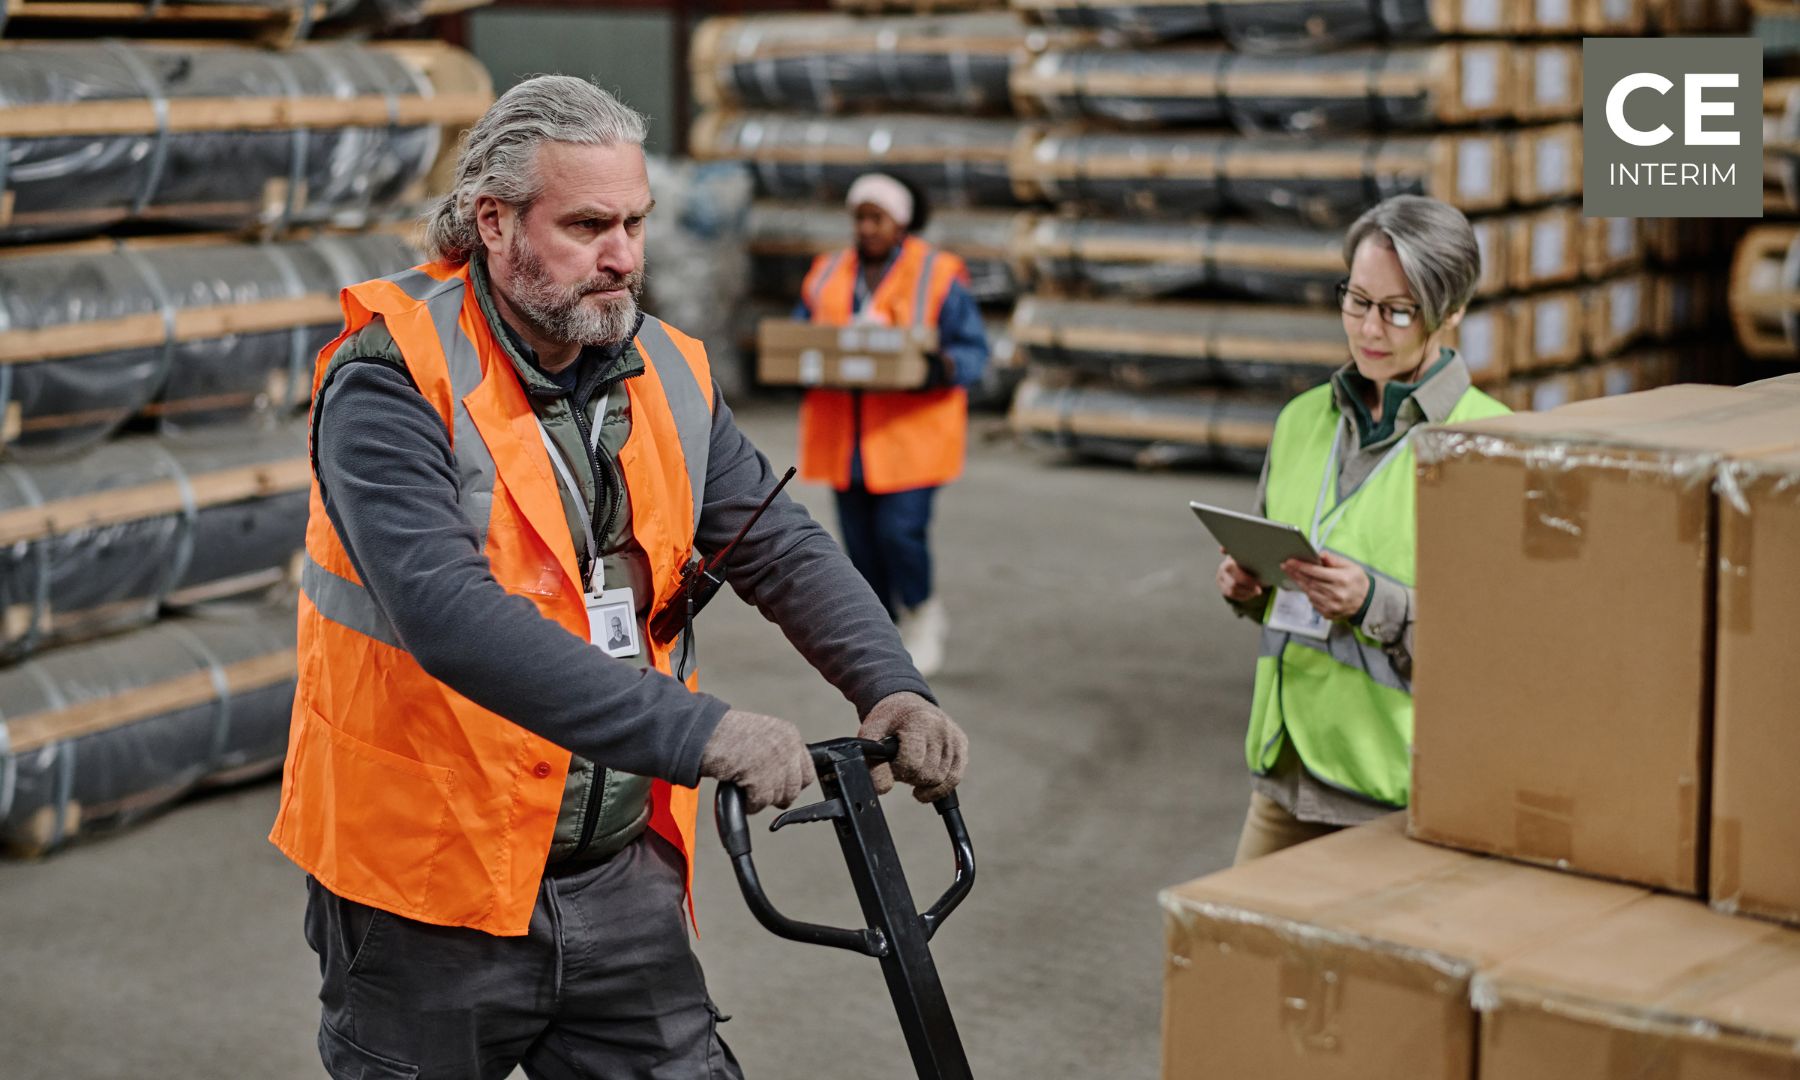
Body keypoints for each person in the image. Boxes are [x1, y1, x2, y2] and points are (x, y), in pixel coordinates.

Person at [269, 76, 969, 1080]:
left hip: (616, 873)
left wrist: (889, 682)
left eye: (635, 221)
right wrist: (704, 732)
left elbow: (776, 544)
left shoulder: (666, 369)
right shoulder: (390, 380)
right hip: (427, 890)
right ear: (494, 222)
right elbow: (448, 615)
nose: (625, 256)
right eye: (589, 223)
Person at [1215, 195, 1510, 865]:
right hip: (1285, 773)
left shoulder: (1489, 444)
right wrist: (1247, 587)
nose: (1370, 330)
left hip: (1401, 794)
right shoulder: (1300, 420)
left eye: (1398, 310)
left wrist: (1376, 604)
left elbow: (1504, 648)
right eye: (1357, 300)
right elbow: (1278, 587)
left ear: (1453, 311)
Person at [792, 173, 989, 678]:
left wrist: (937, 368)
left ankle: (922, 613)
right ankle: (883, 633)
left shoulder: (938, 275)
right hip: (845, 440)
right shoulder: (827, 272)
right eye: (859, 217)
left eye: (876, 218)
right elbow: (797, 337)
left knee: (900, 533)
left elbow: (973, 351)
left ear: (900, 222)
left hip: (910, 438)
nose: (865, 227)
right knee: (859, 545)